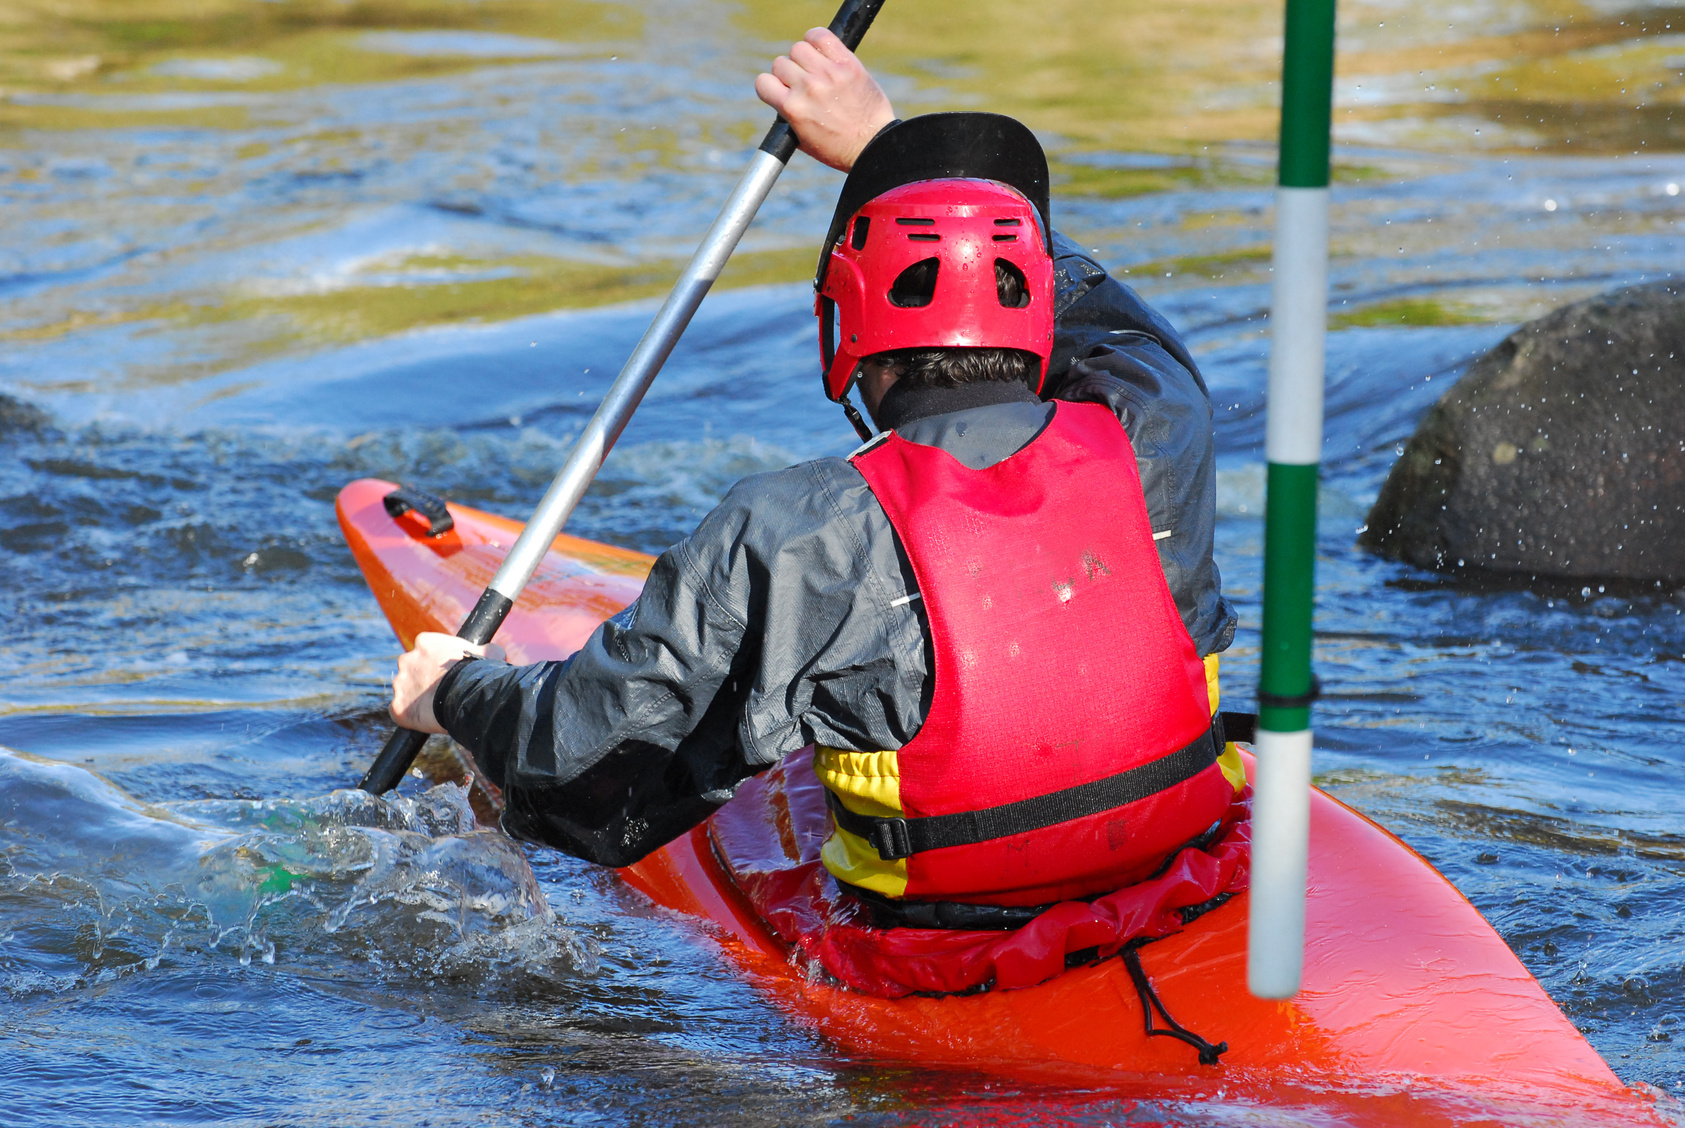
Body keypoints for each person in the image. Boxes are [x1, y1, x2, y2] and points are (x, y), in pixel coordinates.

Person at [389, 30, 1240, 924]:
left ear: (847, 334)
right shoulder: (1154, 421)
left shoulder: (796, 529)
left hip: (941, 953)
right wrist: (886, 145)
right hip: (1180, 870)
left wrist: (452, 695)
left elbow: (582, 762)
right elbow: (1106, 321)